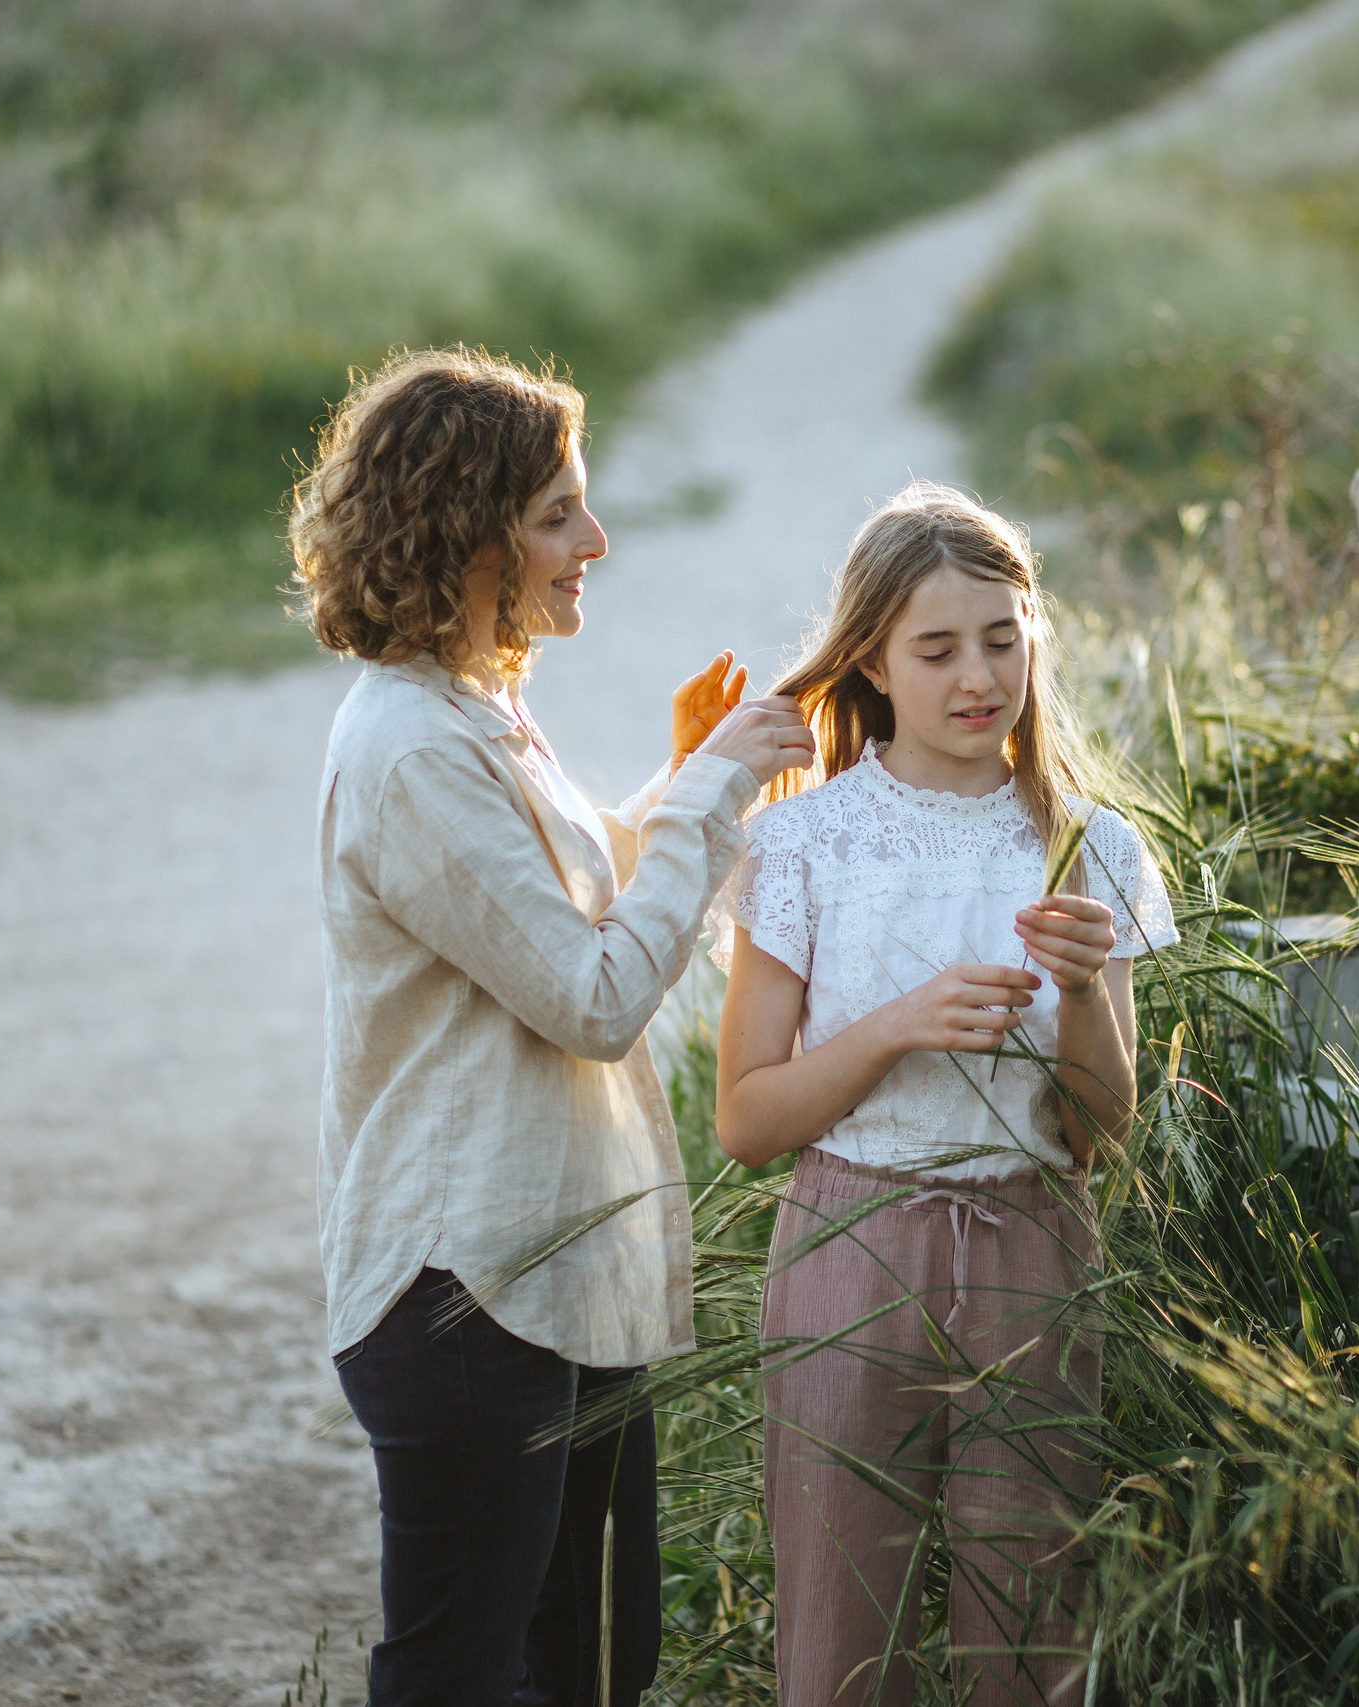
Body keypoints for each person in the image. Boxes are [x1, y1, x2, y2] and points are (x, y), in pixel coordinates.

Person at [289, 345, 816, 1707]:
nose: (595, 539)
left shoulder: (479, 713)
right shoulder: (410, 746)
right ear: (464, 534)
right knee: (464, 1680)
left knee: (593, 1667)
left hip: (550, 1278)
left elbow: (552, 905)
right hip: (470, 1294)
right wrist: (705, 797)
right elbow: (587, 993)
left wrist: (685, 783)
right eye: (554, 515)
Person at [712, 482, 1178, 1705]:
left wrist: (1078, 993)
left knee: (1030, 1627)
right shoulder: (804, 843)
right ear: (871, 657)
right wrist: (895, 1029)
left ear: (1036, 635)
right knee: (838, 1626)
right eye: (936, 649)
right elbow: (748, 1122)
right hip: (848, 1249)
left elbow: (1097, 1128)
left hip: (1034, 1246)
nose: (979, 676)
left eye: (1002, 638)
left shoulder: (1093, 844)